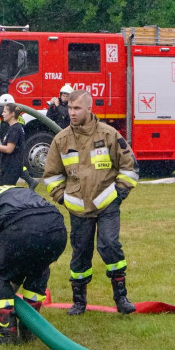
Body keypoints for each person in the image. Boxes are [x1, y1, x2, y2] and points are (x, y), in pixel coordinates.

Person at [42, 89, 138, 315]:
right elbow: (51, 176)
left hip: (107, 205)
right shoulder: (61, 139)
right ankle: (78, 301)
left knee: (110, 245)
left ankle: (121, 298)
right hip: (78, 208)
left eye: (77, 108)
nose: (72, 113)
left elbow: (129, 167)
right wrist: (62, 197)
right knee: (80, 254)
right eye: (70, 108)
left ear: (89, 108)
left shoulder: (109, 135)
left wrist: (119, 194)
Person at [0, 180, 67, 345]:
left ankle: (7, 333)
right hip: (57, 228)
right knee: (38, 267)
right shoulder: (14, 190)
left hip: (24, 227)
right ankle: (30, 328)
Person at [0, 103, 24, 186]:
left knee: (3, 195)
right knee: (0, 193)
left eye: (5, 112)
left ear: (12, 114)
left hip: (11, 168)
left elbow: (9, 149)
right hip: (7, 167)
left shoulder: (15, 129)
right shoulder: (12, 128)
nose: (2, 114)